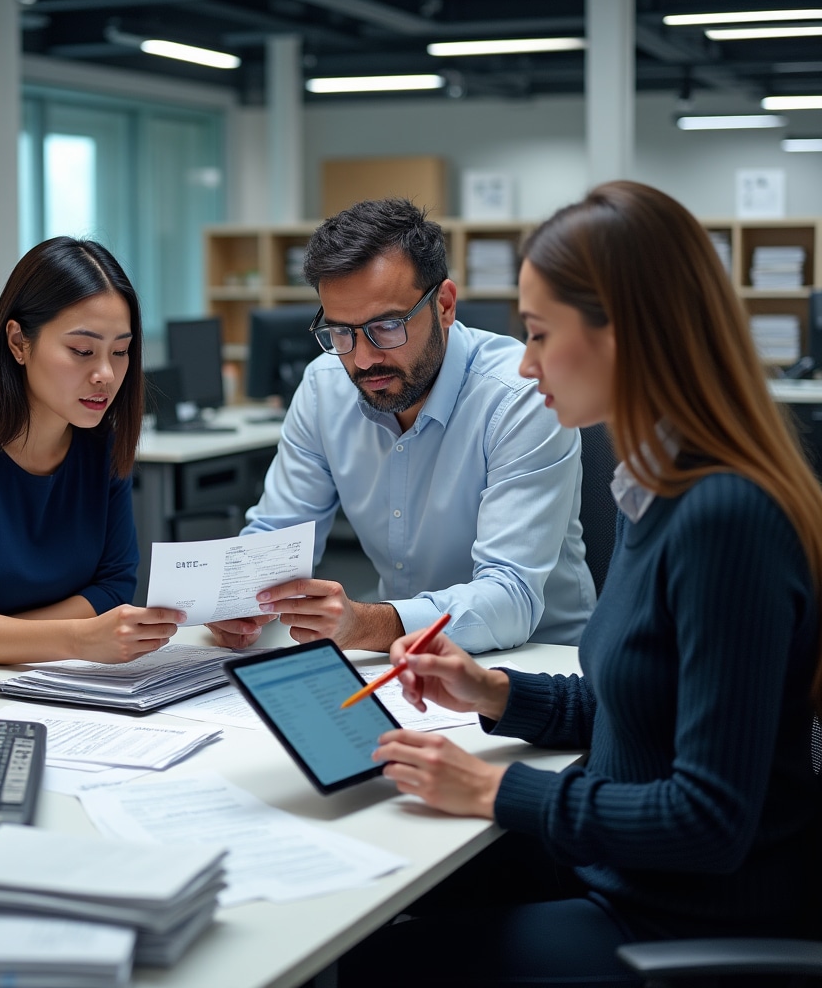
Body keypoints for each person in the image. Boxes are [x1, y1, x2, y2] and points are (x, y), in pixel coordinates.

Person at [340, 180, 822, 986]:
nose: (524, 366)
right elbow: (646, 707)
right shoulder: (653, 487)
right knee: (380, 886)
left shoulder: (724, 517)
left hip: (686, 914)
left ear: (624, 336)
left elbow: (708, 821)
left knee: (379, 963)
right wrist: (494, 692)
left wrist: (495, 791)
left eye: (538, 334)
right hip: (629, 874)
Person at [209, 198, 595, 654]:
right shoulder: (324, 386)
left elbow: (509, 598)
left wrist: (364, 625)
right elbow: (279, 534)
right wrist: (239, 596)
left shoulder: (521, 395)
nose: (364, 358)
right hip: (397, 659)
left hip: (537, 662)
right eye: (341, 332)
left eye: (387, 326)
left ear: (445, 305)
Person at [0, 236, 185, 665]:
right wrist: (77, 639)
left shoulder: (101, 443)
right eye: (82, 351)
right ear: (18, 342)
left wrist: (10, 636)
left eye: (121, 351)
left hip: (54, 681)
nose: (105, 374)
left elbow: (113, 586)